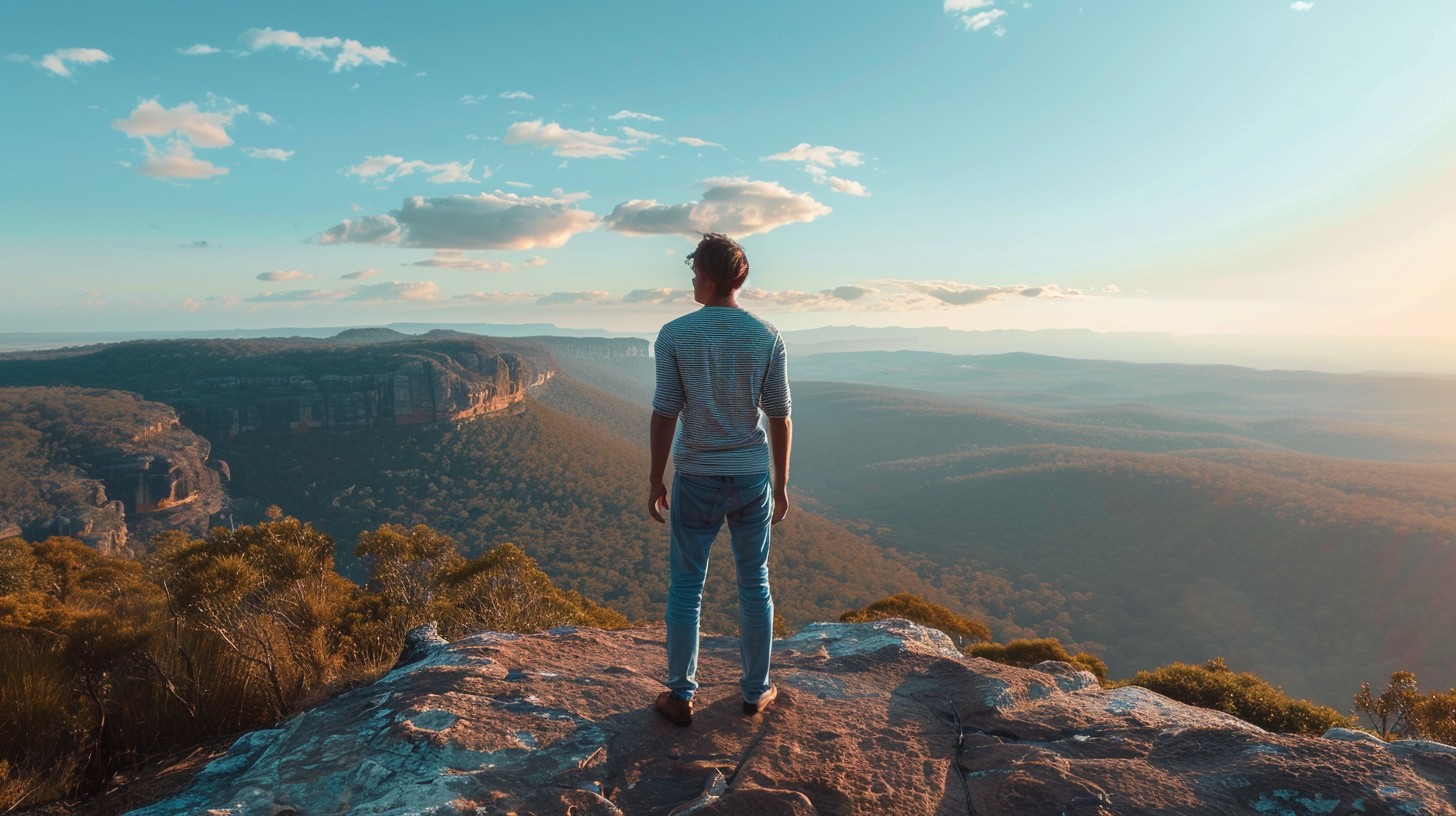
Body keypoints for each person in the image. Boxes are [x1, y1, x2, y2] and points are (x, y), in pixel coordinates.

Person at [647, 232, 792, 727]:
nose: (690, 280)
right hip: (752, 479)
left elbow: (665, 413)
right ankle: (756, 691)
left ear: (708, 278)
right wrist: (783, 482)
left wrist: (654, 478)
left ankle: (681, 693)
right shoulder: (767, 335)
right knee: (756, 583)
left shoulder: (674, 334)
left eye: (693, 273)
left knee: (687, 588)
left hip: (696, 477)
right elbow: (780, 416)